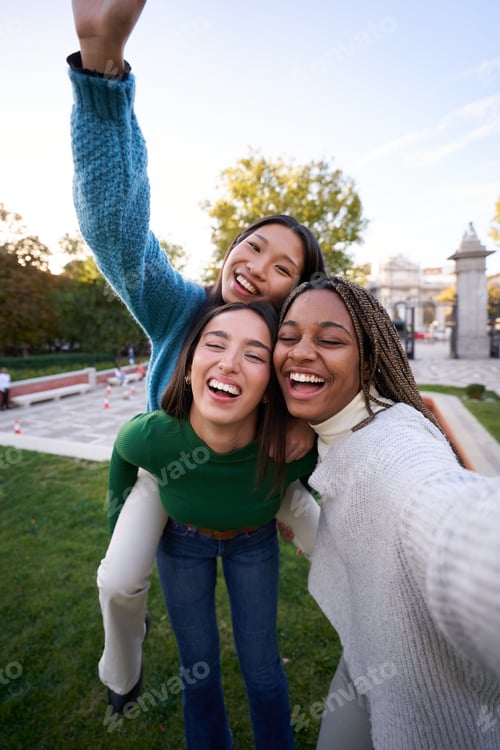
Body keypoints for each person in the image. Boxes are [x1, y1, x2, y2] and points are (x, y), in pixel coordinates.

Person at [68, 0, 326, 714]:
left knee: (336, 548)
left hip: (257, 483)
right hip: (171, 471)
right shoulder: (181, 308)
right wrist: (102, 70)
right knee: (119, 582)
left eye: (282, 267)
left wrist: (310, 435)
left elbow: (346, 393)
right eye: (252, 244)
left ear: (299, 294)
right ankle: (123, 676)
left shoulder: (295, 351)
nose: (256, 264)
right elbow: (118, 231)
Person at [273, 276, 500, 749]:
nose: (299, 352)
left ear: (370, 359)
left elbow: (436, 507)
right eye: (288, 336)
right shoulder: (345, 423)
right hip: (370, 646)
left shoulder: (390, 445)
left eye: (330, 340)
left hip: (428, 690)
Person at [109, 302, 317, 749]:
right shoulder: (152, 436)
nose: (229, 363)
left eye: (255, 355)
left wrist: (303, 499)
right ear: (187, 367)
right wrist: (118, 527)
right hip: (182, 545)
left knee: (262, 669)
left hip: (254, 546)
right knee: (197, 667)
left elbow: (321, 471)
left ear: (268, 389)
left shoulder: (291, 446)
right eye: (216, 345)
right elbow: (122, 457)